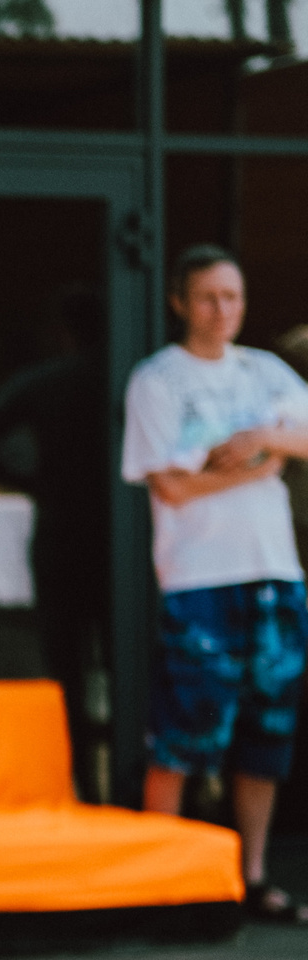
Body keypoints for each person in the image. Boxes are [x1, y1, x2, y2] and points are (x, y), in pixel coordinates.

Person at [121, 246, 308, 920]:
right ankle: (161, 883)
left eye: (232, 297)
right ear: (179, 301)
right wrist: (255, 469)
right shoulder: (159, 381)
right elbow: (171, 486)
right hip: (201, 580)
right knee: (182, 737)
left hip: (276, 578)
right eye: (207, 297)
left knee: (266, 738)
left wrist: (267, 436)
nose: (221, 310)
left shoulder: (267, 373)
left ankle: (251, 877)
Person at [0, 287, 112, 764]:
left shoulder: (45, 383)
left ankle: (77, 773)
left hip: (62, 528)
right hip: (115, 534)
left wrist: (32, 482)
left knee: (65, 661)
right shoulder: (120, 379)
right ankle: (108, 768)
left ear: (65, 332)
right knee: (121, 654)